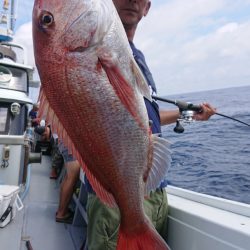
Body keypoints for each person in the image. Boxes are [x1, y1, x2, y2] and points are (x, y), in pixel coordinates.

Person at [86, 0, 216, 249]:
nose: (133, 0)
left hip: (153, 189)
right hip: (114, 196)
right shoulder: (95, 50)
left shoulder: (137, 56)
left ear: (147, 9)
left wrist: (186, 113)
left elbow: (146, 118)